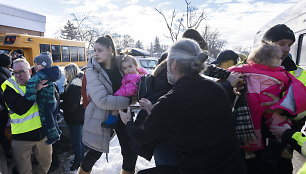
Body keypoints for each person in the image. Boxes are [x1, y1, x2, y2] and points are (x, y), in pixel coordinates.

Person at [120, 38, 246, 174]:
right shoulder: (217, 88)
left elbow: (142, 136)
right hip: (232, 166)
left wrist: (128, 122)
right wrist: (153, 110)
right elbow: (190, 119)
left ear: (173, 63)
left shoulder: (172, 99)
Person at [229, 42, 306, 174]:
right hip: (272, 106)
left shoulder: (244, 69)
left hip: (250, 103)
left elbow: (228, 73)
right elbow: (296, 88)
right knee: (280, 125)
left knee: (252, 128)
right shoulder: (282, 73)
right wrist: (281, 103)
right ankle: (286, 147)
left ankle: (249, 150)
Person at [79, 35, 137, 174]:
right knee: (95, 152)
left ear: (110, 50)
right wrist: (129, 100)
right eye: (95, 50)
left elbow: (134, 79)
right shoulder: (92, 71)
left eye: (100, 50)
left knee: (130, 151)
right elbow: (102, 100)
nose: (96, 54)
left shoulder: (122, 66)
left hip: (123, 113)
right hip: (101, 115)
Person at [1, 58, 52, 174]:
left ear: (29, 71)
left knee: (46, 164)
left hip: (42, 134)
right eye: (15, 72)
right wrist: (34, 90)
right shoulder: (8, 86)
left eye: (21, 72)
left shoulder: (39, 80)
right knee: (24, 170)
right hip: (21, 137)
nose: (18, 75)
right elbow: (20, 108)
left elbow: (53, 103)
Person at [24, 52, 62, 145]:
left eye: (37, 64)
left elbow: (31, 82)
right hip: (51, 101)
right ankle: (57, 132)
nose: (35, 66)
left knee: (46, 121)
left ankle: (53, 136)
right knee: (52, 119)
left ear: (44, 65)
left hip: (44, 101)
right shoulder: (50, 73)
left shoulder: (41, 74)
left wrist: (30, 97)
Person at [101, 55, 147, 128]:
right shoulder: (138, 75)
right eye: (125, 68)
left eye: (130, 66)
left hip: (129, 94)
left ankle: (113, 118)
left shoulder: (135, 77)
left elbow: (131, 89)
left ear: (136, 65)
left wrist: (118, 93)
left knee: (116, 103)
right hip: (130, 96)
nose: (128, 69)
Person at [60, 63, 85, 171]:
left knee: (76, 141)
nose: (65, 75)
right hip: (76, 117)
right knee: (78, 140)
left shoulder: (75, 85)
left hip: (75, 118)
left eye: (66, 73)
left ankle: (78, 162)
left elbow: (72, 105)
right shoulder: (72, 83)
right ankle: (81, 158)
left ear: (71, 73)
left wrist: (59, 104)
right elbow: (67, 97)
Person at [0, 53, 12, 173]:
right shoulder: (3, 75)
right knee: (4, 132)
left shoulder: (3, 74)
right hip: (4, 110)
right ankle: (7, 152)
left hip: (3, 109)